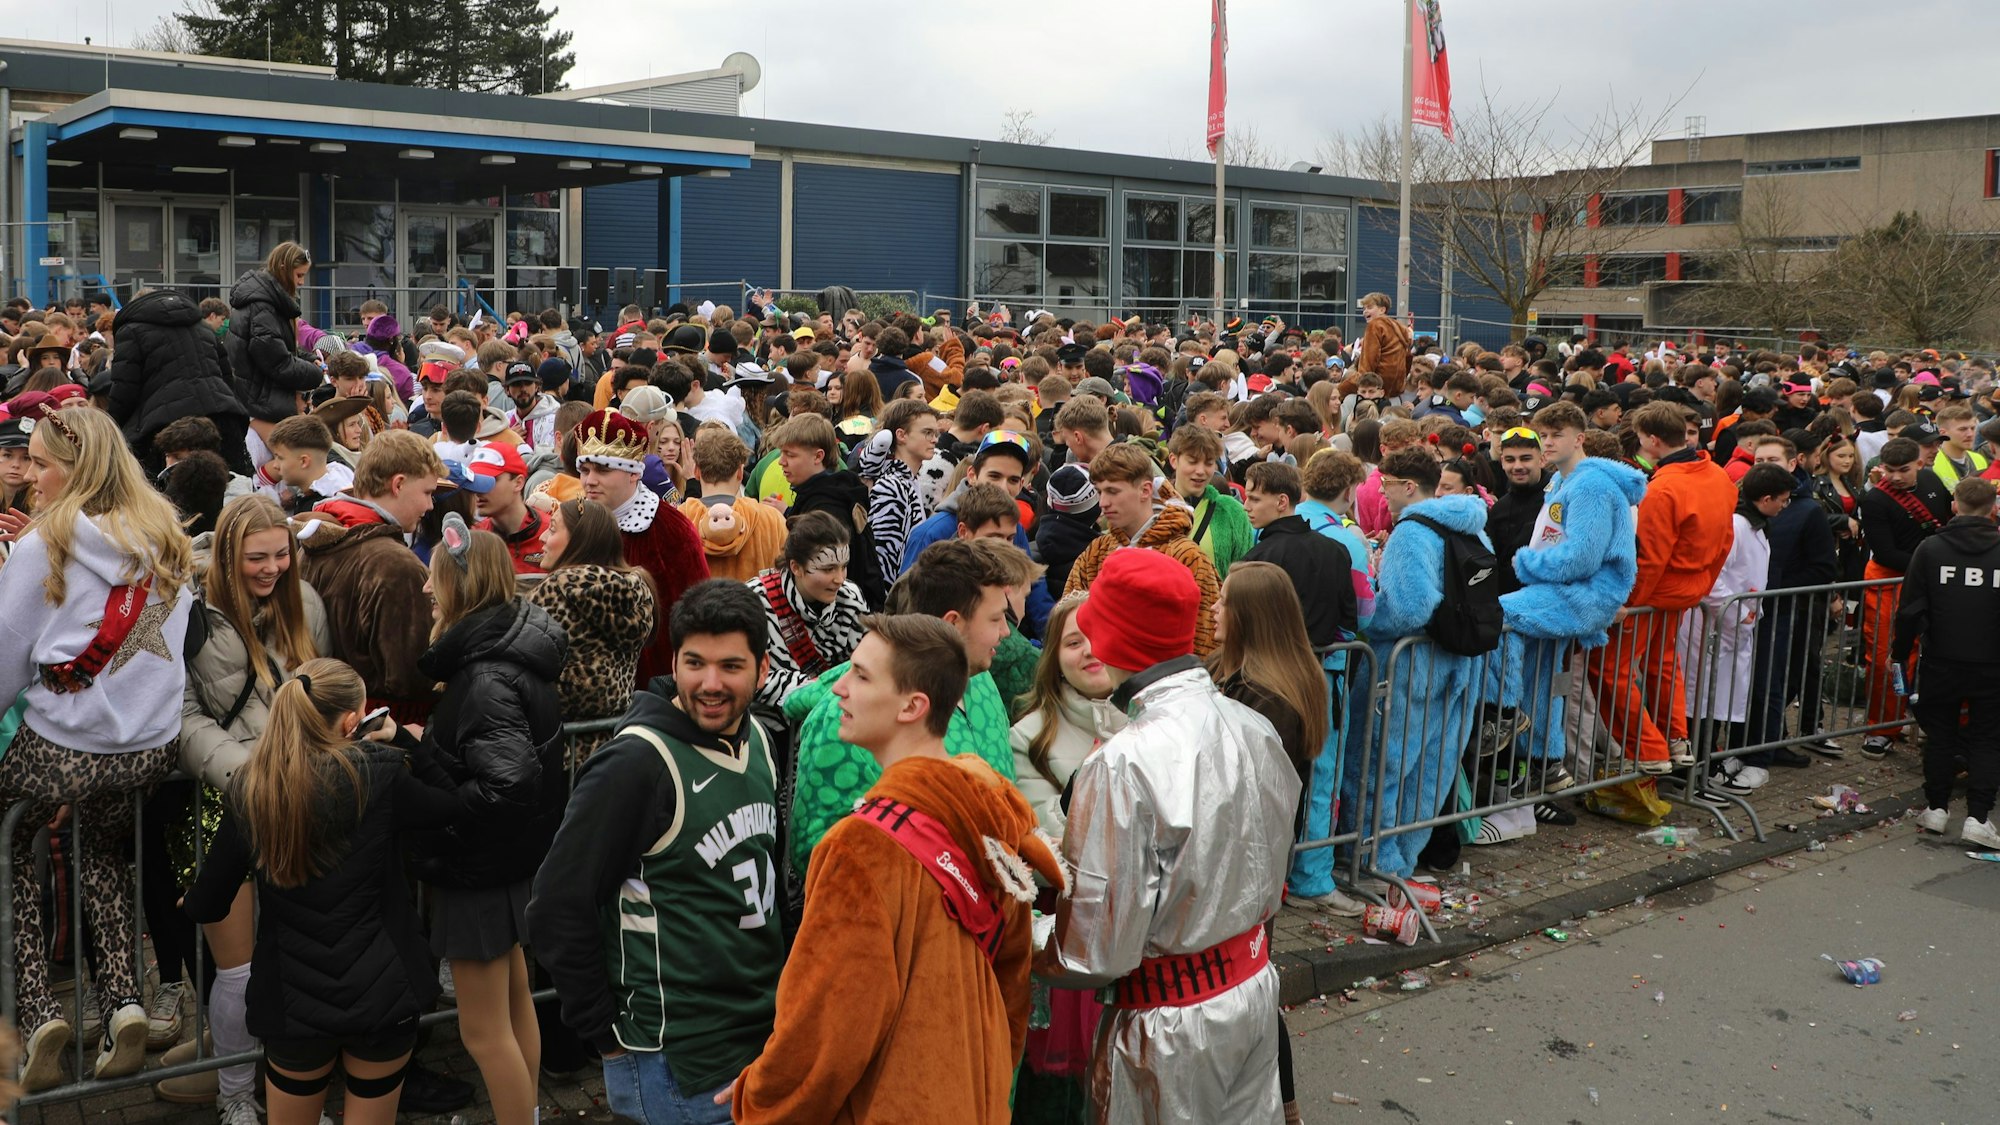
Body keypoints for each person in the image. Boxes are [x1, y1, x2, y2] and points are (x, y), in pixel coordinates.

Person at [727, 615, 1059, 1124]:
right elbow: (1013, 984)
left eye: (860, 675)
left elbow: (829, 1024)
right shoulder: (987, 807)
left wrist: (760, 1100)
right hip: (974, 1093)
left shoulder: (859, 847)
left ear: (912, 705)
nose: (838, 687)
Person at [1036, 549, 1298, 1125]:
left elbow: (1094, 952)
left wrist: (1016, 930)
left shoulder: (1123, 762)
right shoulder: (1252, 724)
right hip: (1252, 991)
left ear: (1107, 637)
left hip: (1169, 1024)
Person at [529, 581, 784, 1125]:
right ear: (673, 661)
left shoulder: (758, 738)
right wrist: (607, 1037)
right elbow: (556, 903)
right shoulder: (638, 765)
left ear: (763, 670)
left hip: (759, 1038)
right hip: (675, 1063)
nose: (710, 684)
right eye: (695, 663)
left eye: (731, 667)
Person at [0, 405, 195, 1090]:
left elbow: (4, 656)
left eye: (41, 463)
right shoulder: (164, 532)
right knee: (103, 855)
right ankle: (124, 1003)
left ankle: (37, 1008)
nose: (29, 478)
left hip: (65, 745)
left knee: (9, 854)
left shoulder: (44, 543)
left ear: (74, 468)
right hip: (150, 747)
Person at [182, 659, 457, 1125]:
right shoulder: (382, 776)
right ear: (354, 720)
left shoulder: (255, 789)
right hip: (383, 991)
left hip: (293, 1002)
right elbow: (455, 805)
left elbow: (210, 900)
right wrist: (409, 740)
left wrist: (191, 901)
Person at [154, 496, 330, 1116]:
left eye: (282, 555)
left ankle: (296, 1088)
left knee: (301, 958)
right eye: (258, 557)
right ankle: (236, 1097)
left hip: (302, 800)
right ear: (227, 556)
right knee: (238, 970)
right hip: (221, 808)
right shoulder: (189, 615)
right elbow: (180, 716)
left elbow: (323, 692)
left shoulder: (305, 603)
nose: (273, 568)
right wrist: (245, 771)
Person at [407, 515, 568, 1125]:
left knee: (482, 1031)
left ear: (460, 587)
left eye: (434, 577)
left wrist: (426, 759)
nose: (426, 589)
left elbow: (505, 784)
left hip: (478, 867)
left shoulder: (483, 676)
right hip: (507, 864)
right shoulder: (508, 658)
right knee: (514, 1005)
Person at [784, 538, 1020, 877]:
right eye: (996, 618)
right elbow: (822, 857)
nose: (1006, 632)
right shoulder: (844, 719)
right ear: (953, 624)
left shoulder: (980, 680)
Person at [1205, 560, 1328, 1121]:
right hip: (1252, 863)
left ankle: (1282, 1108)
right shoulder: (1257, 679)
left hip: (1245, 866)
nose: (1213, 609)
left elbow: (1236, 792)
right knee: (1249, 988)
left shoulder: (1266, 699)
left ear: (1250, 617)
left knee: (1248, 992)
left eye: (1223, 600)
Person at [1348, 446, 1491, 880]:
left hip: (1411, 669)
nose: (1381, 495)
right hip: (1458, 663)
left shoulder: (1412, 532)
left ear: (1409, 487)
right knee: (1433, 766)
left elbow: (1408, 608)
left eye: (1386, 485)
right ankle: (1402, 859)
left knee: (1384, 766)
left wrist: (1365, 618)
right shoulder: (1471, 526)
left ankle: (1376, 859)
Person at [1589, 402, 1736, 775]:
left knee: (1609, 668)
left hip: (1656, 593)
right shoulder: (1717, 476)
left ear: (1652, 440)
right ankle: (1674, 738)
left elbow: (1650, 558)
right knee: (1662, 663)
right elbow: (1725, 540)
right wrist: (1701, 585)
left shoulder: (1664, 488)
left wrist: (1628, 602)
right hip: (1688, 589)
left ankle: (1650, 748)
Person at [292, 431, 444, 724]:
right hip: (385, 729)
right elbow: (414, 676)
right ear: (398, 484)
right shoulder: (396, 565)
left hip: (319, 718)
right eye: (427, 493)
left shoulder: (315, 543)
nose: (430, 506)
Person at [1897, 477, 2000, 847]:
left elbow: (1909, 608)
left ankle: (1937, 809)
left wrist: (1900, 651)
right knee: (1988, 739)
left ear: (1954, 505)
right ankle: (1978, 817)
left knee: (1939, 736)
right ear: (1993, 508)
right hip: (1992, 662)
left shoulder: (1931, 548)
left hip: (1941, 658)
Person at [572, 408, 710, 684]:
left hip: (654, 685)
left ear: (633, 474)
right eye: (585, 470)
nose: (590, 480)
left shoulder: (671, 529)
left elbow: (698, 612)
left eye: (602, 469)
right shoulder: (573, 519)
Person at [525, 498, 658, 761]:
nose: (542, 537)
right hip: (616, 749)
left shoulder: (555, 590)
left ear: (579, 540)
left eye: (552, 529)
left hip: (559, 757)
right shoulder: (636, 591)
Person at [1062, 443, 1221, 655]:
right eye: (1099, 491)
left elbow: (1207, 638)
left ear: (1145, 490)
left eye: (1112, 491)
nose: (1103, 502)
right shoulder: (1096, 552)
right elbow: (1066, 622)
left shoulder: (1187, 556)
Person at [1687, 464, 1786, 796]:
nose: (1785, 506)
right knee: (1703, 701)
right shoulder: (1736, 526)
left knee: (1715, 701)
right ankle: (1696, 770)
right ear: (1766, 498)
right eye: (1782, 500)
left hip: (1732, 627)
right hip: (1717, 626)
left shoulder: (1755, 526)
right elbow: (1714, 580)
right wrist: (1740, 613)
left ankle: (1706, 765)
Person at [1857, 436, 1953, 758]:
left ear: (1920, 465)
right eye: (1890, 470)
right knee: (1888, 657)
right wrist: (1935, 563)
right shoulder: (1875, 502)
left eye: (1904, 470)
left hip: (1933, 577)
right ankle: (1883, 727)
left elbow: (1946, 523)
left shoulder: (1930, 481)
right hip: (1891, 582)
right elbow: (1885, 552)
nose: (1896, 477)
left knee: (1947, 652)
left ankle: (1941, 722)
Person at [1008, 594, 1123, 838]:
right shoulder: (1027, 738)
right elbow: (1037, 849)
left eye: (1099, 634)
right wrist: (1080, 788)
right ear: (1055, 660)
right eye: (1073, 643)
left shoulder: (1157, 719)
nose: (1090, 650)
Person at [106, 287, 249, 477]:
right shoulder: (202, 327)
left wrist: (112, 428)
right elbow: (226, 376)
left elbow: (124, 390)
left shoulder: (131, 331)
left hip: (165, 427)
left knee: (168, 495)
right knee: (229, 488)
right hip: (221, 417)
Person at [750, 511, 867, 713]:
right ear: (796, 567)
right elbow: (748, 676)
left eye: (844, 567)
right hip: (773, 728)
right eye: (828, 569)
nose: (839, 579)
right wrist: (815, 688)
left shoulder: (851, 598)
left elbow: (866, 666)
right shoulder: (756, 600)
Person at [771, 410, 886, 609]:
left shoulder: (827, 509)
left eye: (790, 454)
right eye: (782, 453)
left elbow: (824, 574)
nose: (782, 461)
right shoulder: (834, 492)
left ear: (818, 456)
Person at [1239, 461, 1357, 650]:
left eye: (1254, 499)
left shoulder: (1257, 559)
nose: (1246, 506)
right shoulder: (1336, 550)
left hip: (1271, 668)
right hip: (1322, 667)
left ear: (1281, 502)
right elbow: (1348, 625)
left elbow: (1244, 625)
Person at [227, 242, 323, 455]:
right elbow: (277, 361)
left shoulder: (264, 303)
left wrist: (306, 360)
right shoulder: (263, 307)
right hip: (259, 404)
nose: (301, 282)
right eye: (298, 275)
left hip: (258, 399)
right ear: (284, 270)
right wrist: (316, 373)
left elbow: (279, 349)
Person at [677, 428, 787, 583]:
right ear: (740, 473)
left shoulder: (678, 522)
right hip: (756, 606)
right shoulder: (772, 520)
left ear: (696, 472)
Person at [861, 399, 941, 591]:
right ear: (901, 435)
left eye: (936, 433)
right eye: (927, 433)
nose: (935, 439)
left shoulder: (909, 480)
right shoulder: (891, 486)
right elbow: (884, 557)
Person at [1166, 424, 1254, 578]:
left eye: (1208, 463)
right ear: (1174, 460)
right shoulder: (1153, 508)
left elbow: (1244, 575)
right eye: (1192, 462)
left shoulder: (1232, 511)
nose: (1201, 471)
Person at [467, 441, 548, 575]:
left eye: (489, 481)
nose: (479, 491)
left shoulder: (550, 534)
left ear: (518, 483)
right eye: (474, 482)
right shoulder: (474, 539)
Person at [256, 414, 354, 515]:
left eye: (280, 458)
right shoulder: (342, 483)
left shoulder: (323, 510)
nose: (275, 465)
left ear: (304, 461)